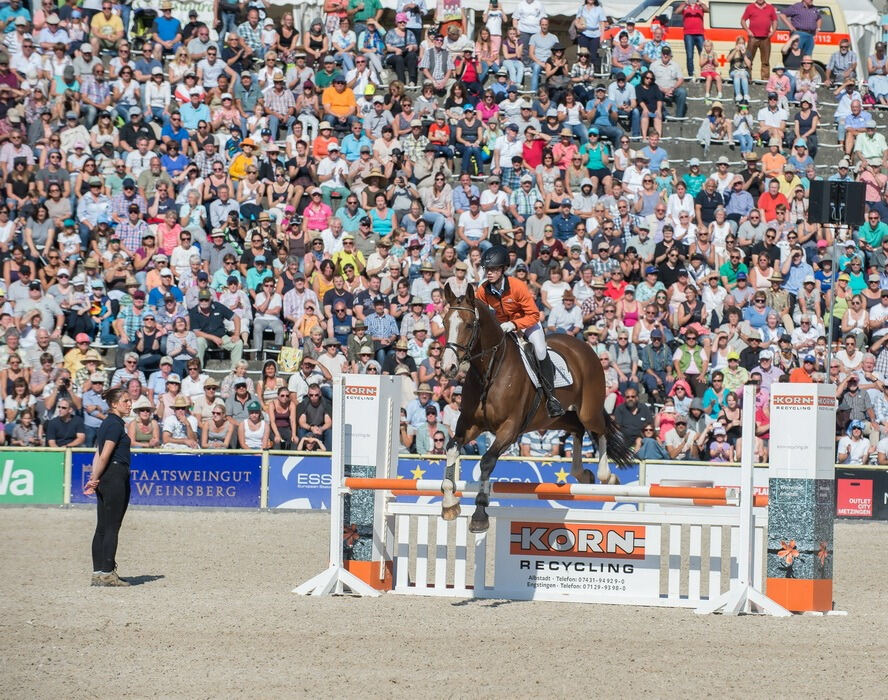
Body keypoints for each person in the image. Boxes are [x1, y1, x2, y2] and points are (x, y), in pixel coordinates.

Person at [475, 244, 564, 417]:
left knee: (539, 351)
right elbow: (477, 311)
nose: (489, 273)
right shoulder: (483, 291)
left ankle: (552, 398)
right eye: (487, 269)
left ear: (504, 269)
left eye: (493, 269)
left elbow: (534, 315)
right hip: (502, 328)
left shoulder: (517, 286)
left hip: (527, 324)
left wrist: (515, 325)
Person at [83, 387, 133, 587]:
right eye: (125, 401)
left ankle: (98, 573)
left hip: (105, 476)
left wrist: (95, 477)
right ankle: (107, 573)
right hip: (114, 476)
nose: (130, 404)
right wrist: (94, 478)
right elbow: (104, 455)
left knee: (102, 527)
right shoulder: (114, 425)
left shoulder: (107, 424)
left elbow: (98, 453)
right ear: (114, 404)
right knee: (112, 527)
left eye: (130, 401)